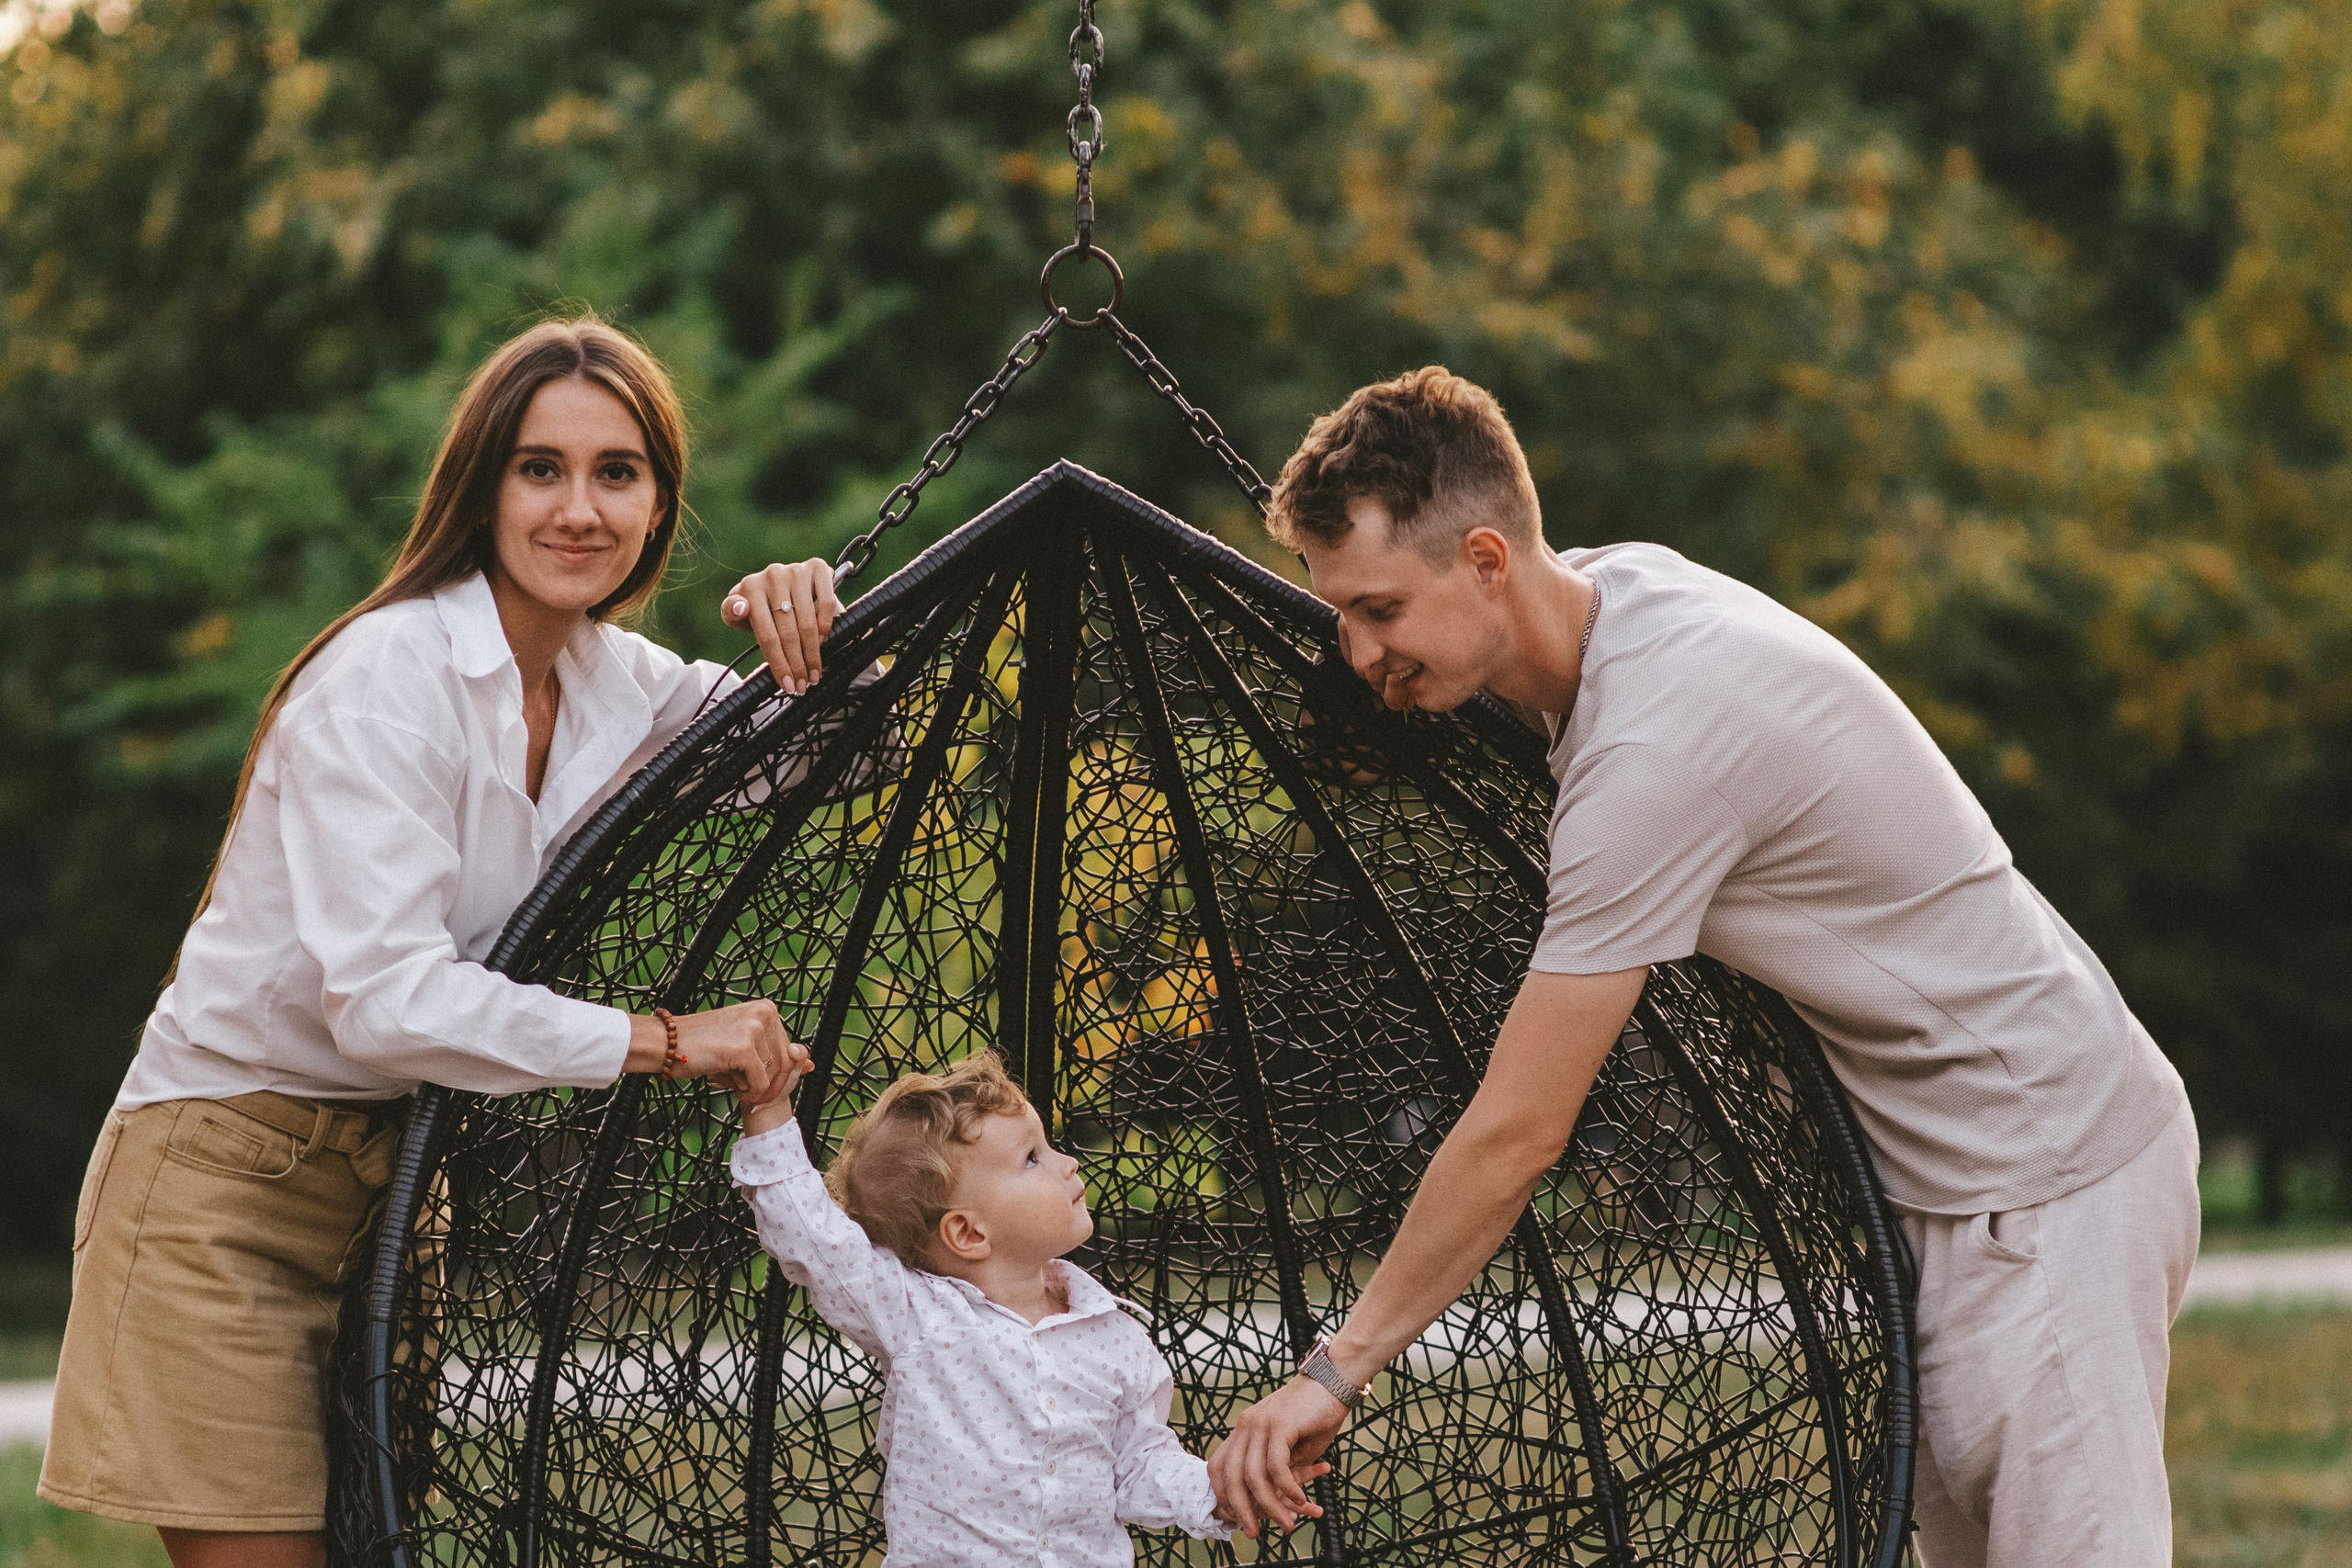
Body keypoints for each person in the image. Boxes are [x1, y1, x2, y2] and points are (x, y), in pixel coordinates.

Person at [1205, 367, 2198, 1568]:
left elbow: (1520, 1128)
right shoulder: (1621, 587)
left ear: (1482, 559)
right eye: (1343, 618)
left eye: (1379, 610)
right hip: (1947, 1183)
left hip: (2049, 1172)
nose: (1359, 650)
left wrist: (1333, 1367)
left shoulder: (1655, 754)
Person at [41, 315, 862, 1568]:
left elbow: (822, 751)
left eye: (617, 472)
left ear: (658, 505)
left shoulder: (614, 681)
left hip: (394, 1184)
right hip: (225, 1173)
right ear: (480, 490)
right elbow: (385, 1000)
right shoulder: (390, 678)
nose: (579, 507)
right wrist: (659, 1039)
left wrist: (800, 620)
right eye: (541, 467)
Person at [731, 1049, 1329, 1565]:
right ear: (968, 1233)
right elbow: (813, 1236)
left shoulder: (1113, 1333)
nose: (1067, 1161)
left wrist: (1214, 1491)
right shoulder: (918, 1315)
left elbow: (1138, 1462)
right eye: (1032, 1158)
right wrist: (767, 1108)